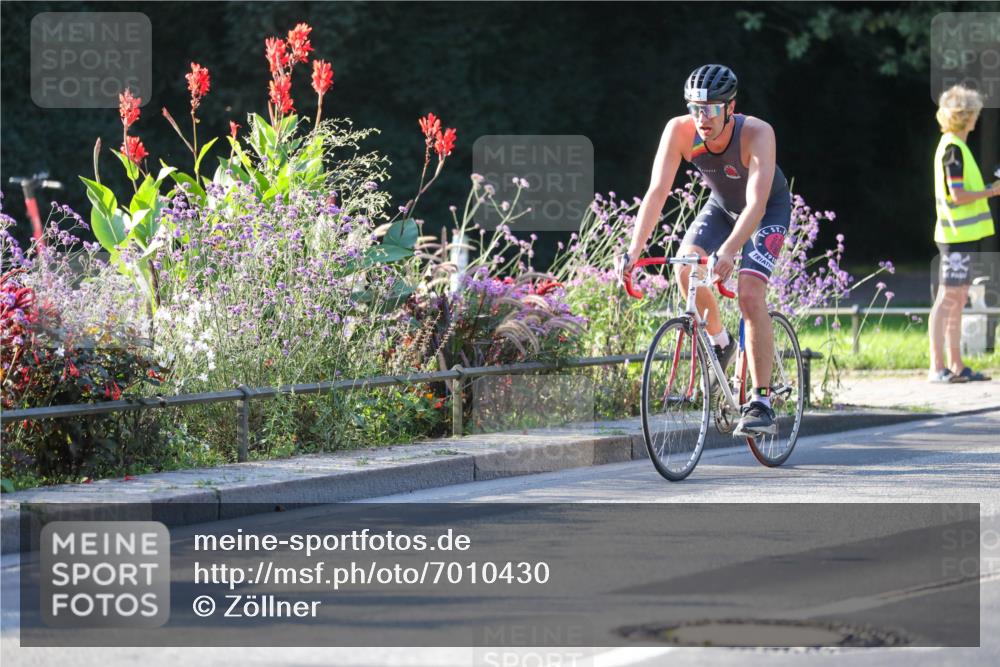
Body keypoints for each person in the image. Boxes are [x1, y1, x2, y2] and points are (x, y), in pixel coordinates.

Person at [616, 64, 791, 436]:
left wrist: (729, 251)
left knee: (749, 294)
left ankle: (761, 401)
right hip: (721, 207)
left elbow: (757, 204)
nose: (702, 118)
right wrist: (633, 251)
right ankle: (720, 341)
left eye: (711, 109)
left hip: (765, 211)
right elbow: (657, 192)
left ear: (730, 108)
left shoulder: (757, 133)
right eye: (696, 108)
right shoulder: (679, 131)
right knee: (684, 267)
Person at [928, 84, 999, 383]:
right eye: (975, 113)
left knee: (957, 299)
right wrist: (991, 190)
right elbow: (956, 195)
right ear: (967, 116)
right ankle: (937, 367)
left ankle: (956, 365)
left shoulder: (955, 146)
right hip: (955, 237)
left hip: (961, 236)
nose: (977, 118)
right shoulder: (954, 149)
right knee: (947, 299)